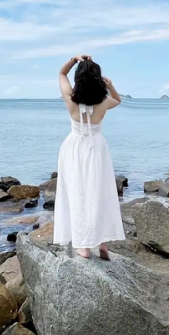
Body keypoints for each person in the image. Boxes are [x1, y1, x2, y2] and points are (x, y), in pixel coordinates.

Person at [53, 54, 126, 259]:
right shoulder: (103, 102)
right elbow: (118, 100)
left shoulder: (70, 98)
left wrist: (74, 59)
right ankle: (102, 244)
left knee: (78, 194)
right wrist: (110, 85)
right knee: (100, 193)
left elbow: (61, 73)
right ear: (98, 79)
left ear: (79, 79)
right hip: (97, 147)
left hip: (74, 147)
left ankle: (84, 247)